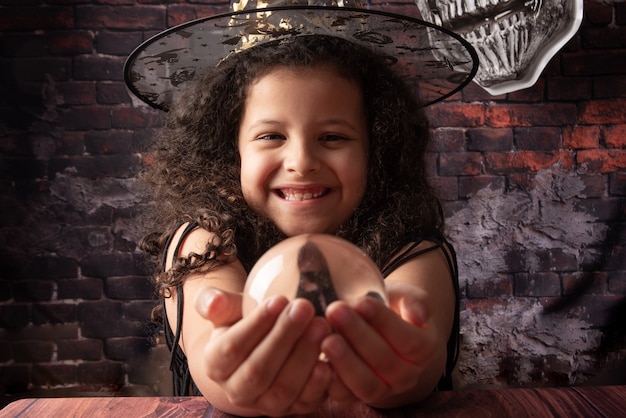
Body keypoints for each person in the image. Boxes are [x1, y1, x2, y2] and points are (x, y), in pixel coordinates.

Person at [125, 2, 476, 416]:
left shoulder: (413, 249)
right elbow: (210, 347)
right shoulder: (202, 242)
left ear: (375, 151)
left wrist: (403, 370)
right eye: (271, 135)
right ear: (229, 150)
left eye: (332, 137)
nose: (301, 161)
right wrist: (232, 376)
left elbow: (421, 348)